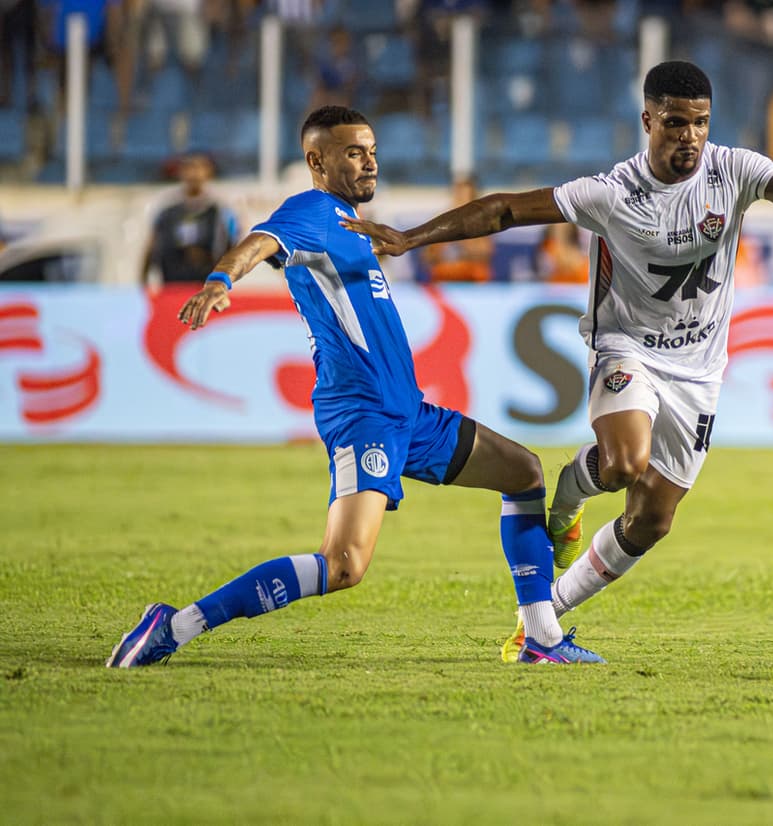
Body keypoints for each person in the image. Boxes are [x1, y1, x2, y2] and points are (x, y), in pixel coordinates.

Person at [342, 61, 773, 661]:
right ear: (648, 121)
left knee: (653, 520)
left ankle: (547, 614)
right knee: (624, 463)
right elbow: (505, 210)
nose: (690, 136)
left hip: (700, 370)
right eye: (676, 123)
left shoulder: (733, 170)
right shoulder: (612, 193)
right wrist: (412, 237)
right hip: (625, 346)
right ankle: (570, 496)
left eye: (701, 124)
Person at [106, 105, 603, 668]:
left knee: (523, 472)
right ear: (316, 160)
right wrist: (221, 279)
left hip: (408, 414)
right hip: (364, 415)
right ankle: (175, 624)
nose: (369, 163)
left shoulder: (348, 222)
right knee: (342, 566)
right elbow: (261, 241)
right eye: (353, 153)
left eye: (371, 151)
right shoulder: (312, 211)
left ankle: (540, 637)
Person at [141, 152, 239, 288]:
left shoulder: (221, 210)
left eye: (199, 167)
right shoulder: (167, 209)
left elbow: (233, 248)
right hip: (171, 287)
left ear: (209, 172)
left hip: (206, 288)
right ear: (180, 172)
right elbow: (151, 247)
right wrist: (143, 282)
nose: (194, 173)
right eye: (189, 168)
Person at [421, 176, 493, 283]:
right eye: (457, 195)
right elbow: (427, 256)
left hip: (470, 274)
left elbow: (484, 254)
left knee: (480, 272)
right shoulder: (443, 220)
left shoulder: (482, 220)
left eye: (463, 196)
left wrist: (460, 235)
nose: (459, 199)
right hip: (446, 272)